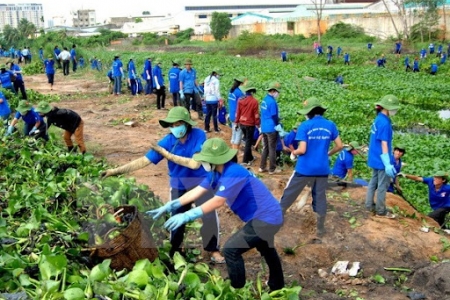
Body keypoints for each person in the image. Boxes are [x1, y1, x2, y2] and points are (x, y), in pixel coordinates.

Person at [148, 138, 285, 291]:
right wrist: (173, 204)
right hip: (265, 217)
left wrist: (188, 215)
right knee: (266, 248)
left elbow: (217, 201)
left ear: (214, 160)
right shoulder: (215, 173)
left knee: (231, 250)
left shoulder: (233, 172)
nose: (202, 163)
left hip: (267, 219)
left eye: (205, 159)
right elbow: (197, 191)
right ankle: (277, 284)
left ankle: (237, 288)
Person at [101, 107, 224, 262]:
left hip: (201, 182)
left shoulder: (199, 135)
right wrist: (115, 171)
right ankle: (174, 251)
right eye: (171, 125)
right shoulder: (166, 141)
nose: (175, 128)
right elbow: (143, 161)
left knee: (209, 215)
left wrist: (166, 155)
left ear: (186, 124)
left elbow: (194, 164)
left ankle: (213, 250)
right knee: (176, 217)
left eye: (178, 124)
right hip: (179, 184)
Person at [280, 97, 342, 237]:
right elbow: (339, 145)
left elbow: (302, 150)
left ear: (309, 112)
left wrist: (294, 153)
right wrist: (328, 153)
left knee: (290, 192)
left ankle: (278, 218)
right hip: (322, 168)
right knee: (319, 196)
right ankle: (320, 228)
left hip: (305, 168)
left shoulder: (305, 126)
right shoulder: (330, 125)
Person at [365, 95, 400, 219]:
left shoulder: (378, 119)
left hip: (374, 156)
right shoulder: (385, 123)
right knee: (382, 185)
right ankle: (381, 210)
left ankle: (369, 205)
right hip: (381, 159)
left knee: (373, 181)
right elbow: (384, 143)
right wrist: (387, 163)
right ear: (387, 108)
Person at [259, 82, 281, 175]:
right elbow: (274, 115)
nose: (277, 94)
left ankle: (262, 167)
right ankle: (272, 169)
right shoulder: (272, 102)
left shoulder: (264, 100)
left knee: (266, 147)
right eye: (277, 92)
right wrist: (277, 124)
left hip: (264, 126)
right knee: (272, 148)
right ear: (273, 91)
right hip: (271, 127)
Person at [235, 81, 260, 166]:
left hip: (242, 123)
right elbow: (256, 115)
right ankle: (245, 161)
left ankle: (250, 157)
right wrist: (258, 124)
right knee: (248, 142)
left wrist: (236, 122)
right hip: (250, 124)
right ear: (252, 91)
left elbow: (238, 112)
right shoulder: (254, 101)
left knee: (247, 140)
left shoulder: (240, 100)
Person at [228, 77, 245, 151]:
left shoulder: (231, 91)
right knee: (238, 134)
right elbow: (242, 106)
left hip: (232, 114)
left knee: (234, 132)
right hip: (237, 116)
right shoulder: (239, 93)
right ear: (241, 84)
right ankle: (235, 152)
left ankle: (232, 149)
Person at [203, 68, 222, 133]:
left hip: (208, 99)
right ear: (216, 74)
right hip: (214, 99)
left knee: (208, 114)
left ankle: (206, 128)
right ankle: (216, 129)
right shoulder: (216, 81)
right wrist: (219, 99)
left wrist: (205, 97)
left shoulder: (206, 79)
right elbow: (217, 91)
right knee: (214, 115)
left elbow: (205, 89)